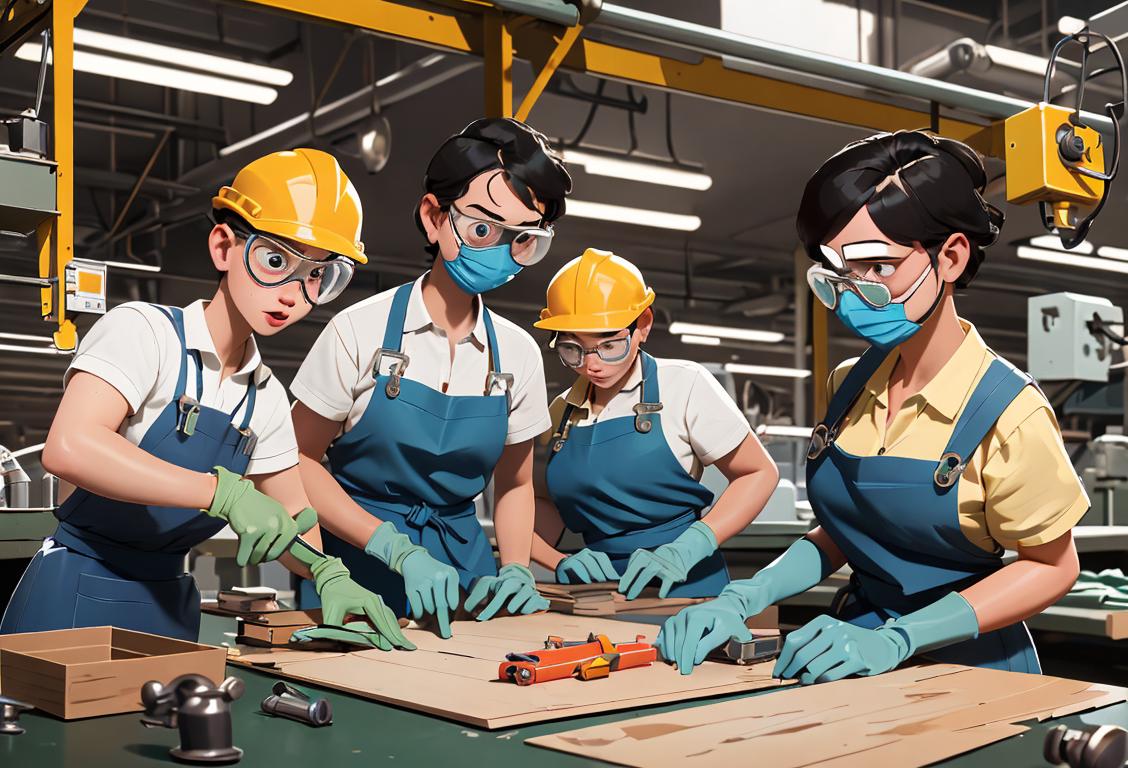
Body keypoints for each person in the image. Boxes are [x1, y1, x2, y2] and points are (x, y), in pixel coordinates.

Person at [658, 130, 1087, 681]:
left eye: (877, 269)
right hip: (855, 646)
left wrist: (902, 638)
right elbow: (847, 532)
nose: (854, 291)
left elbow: (1052, 566)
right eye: (839, 273)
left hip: (970, 667)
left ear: (950, 257)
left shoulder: (1009, 412)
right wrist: (745, 595)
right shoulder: (850, 384)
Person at [0, 149, 413, 651]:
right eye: (276, 261)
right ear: (224, 247)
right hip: (75, 590)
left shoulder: (266, 398)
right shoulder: (144, 332)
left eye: (317, 277)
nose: (291, 294)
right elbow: (70, 447)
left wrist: (327, 572)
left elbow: (294, 515)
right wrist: (226, 494)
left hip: (171, 605)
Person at [290, 118, 573, 638]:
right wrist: (390, 546)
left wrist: (514, 568)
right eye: (483, 229)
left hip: (466, 575)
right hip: (359, 561)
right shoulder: (358, 330)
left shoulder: (519, 354)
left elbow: (513, 484)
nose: (499, 252)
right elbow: (297, 460)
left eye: (524, 240)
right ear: (434, 216)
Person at [529, 248, 780, 599]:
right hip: (599, 592)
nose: (592, 364)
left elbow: (758, 473)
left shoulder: (685, 385)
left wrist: (691, 546)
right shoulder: (562, 411)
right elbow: (547, 503)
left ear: (642, 325)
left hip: (686, 585)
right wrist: (556, 561)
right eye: (573, 349)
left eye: (610, 344)